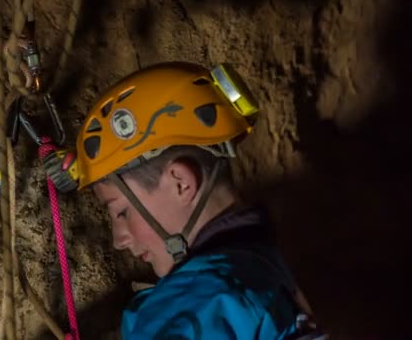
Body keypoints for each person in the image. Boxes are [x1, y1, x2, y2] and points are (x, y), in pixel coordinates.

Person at [46, 61, 324, 339]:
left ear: (180, 183)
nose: (120, 239)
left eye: (121, 212)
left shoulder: (198, 304)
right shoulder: (262, 271)